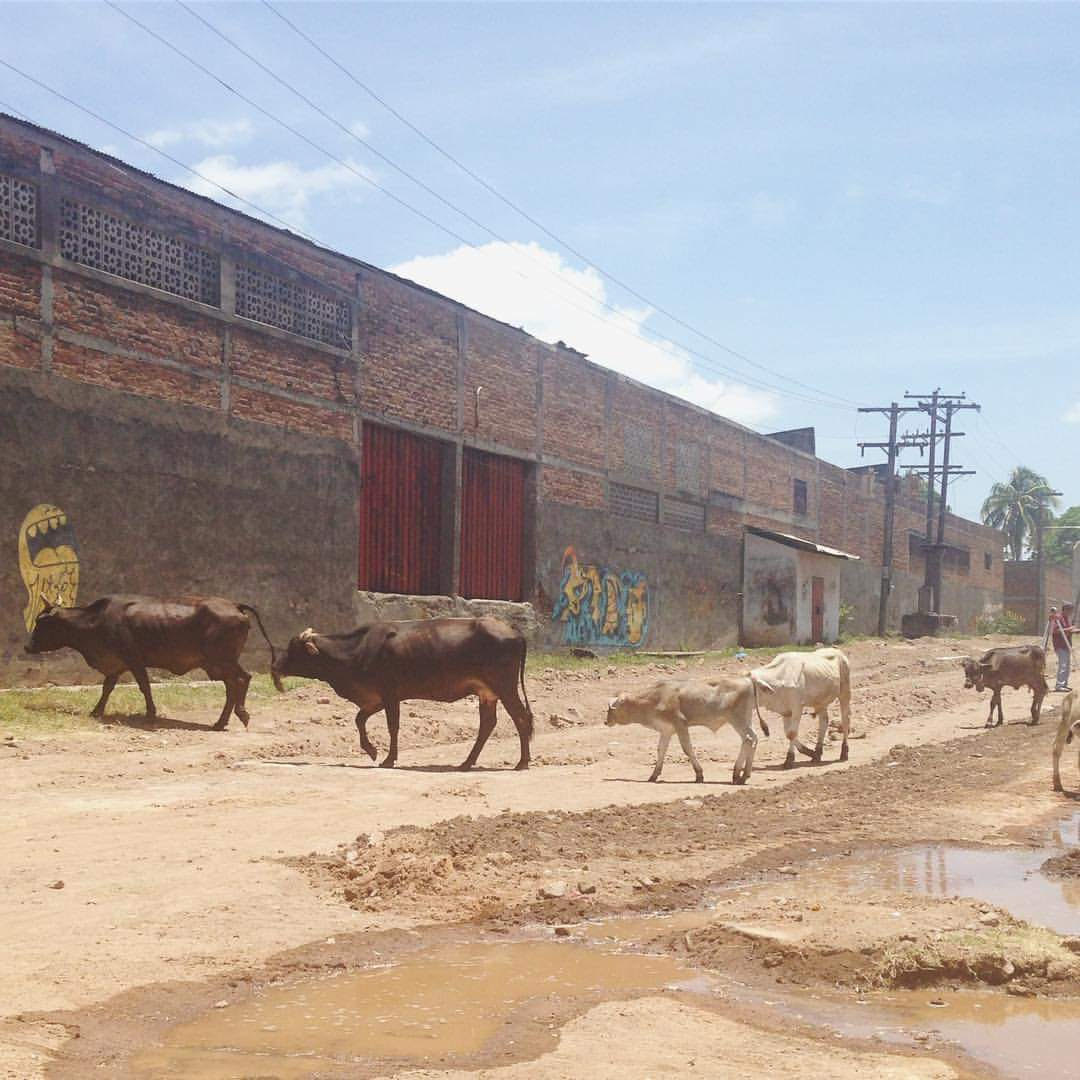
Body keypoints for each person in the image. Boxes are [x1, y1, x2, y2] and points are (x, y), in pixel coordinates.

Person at [1049, 604, 1075, 692]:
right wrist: (1069, 629)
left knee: (1067, 666)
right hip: (1060, 645)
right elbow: (1055, 631)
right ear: (1065, 610)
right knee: (1063, 665)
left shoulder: (1067, 619)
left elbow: (1068, 630)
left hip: (1067, 645)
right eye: (1069, 610)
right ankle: (1059, 685)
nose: (1070, 612)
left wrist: (1073, 630)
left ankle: (1064, 684)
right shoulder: (1058, 618)